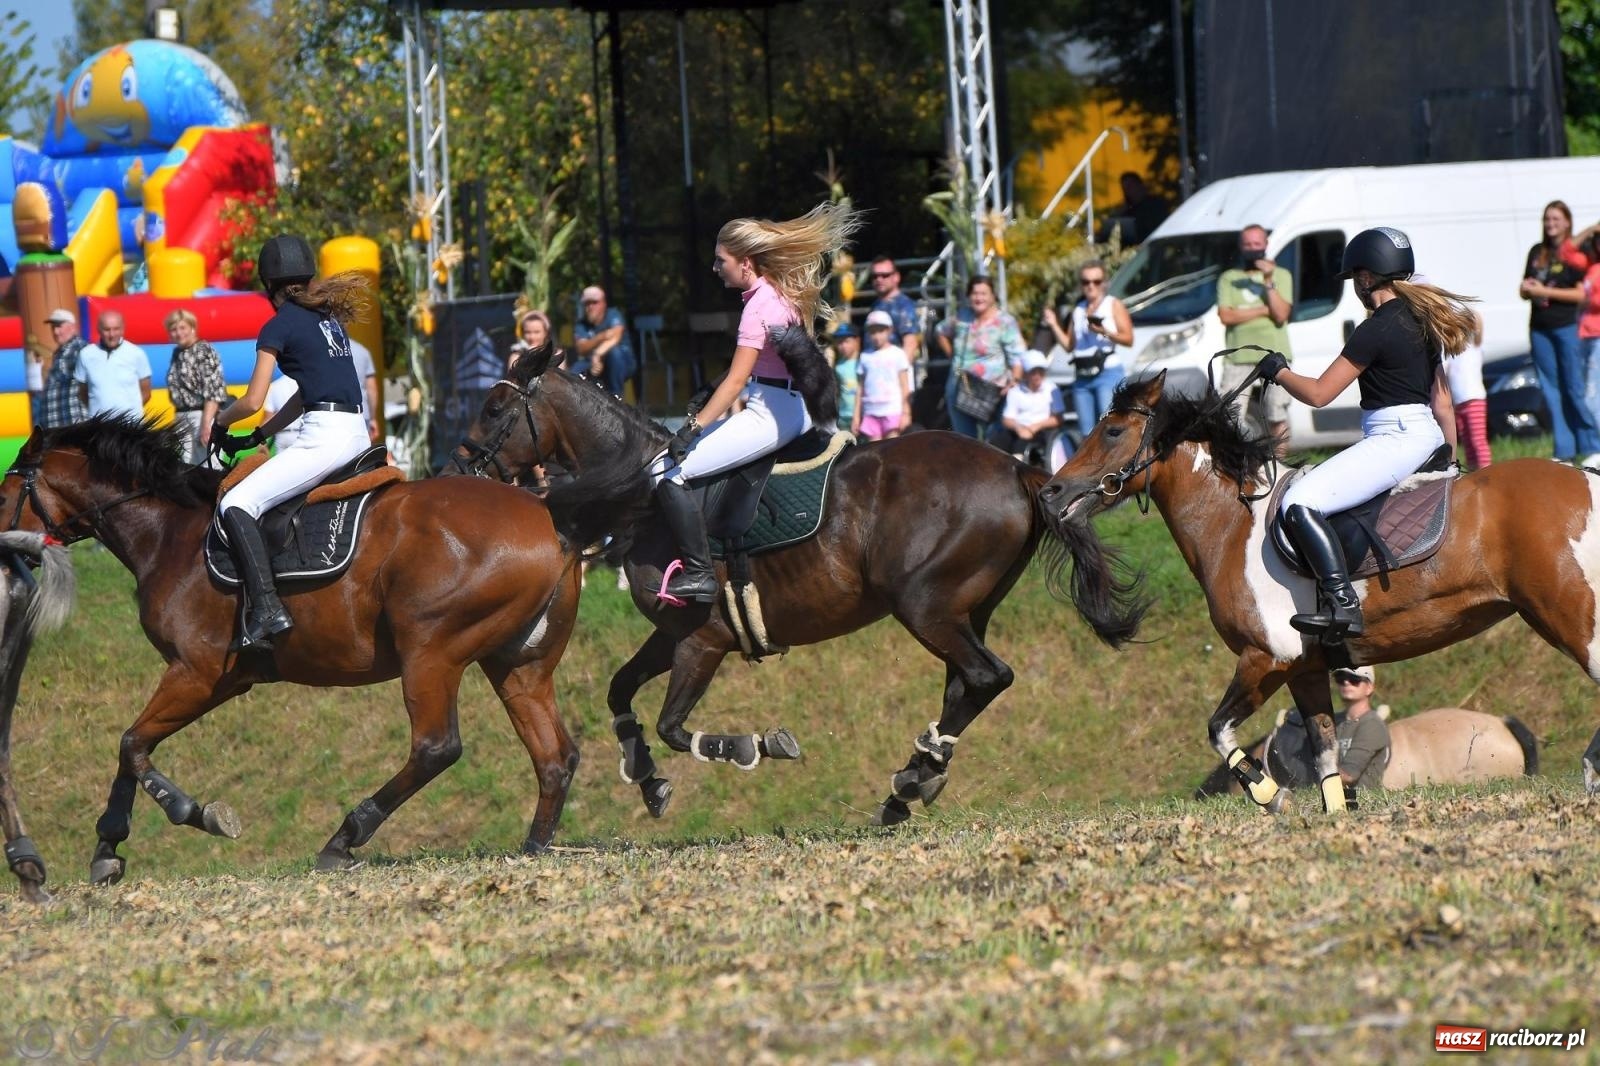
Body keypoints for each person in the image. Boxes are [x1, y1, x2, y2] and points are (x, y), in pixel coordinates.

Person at [1257, 226, 1471, 639]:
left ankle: (1343, 604)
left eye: (1356, 277)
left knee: (1299, 502)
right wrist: (1450, 458)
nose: (1356, 286)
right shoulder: (1422, 320)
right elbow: (1443, 403)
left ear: (1367, 277)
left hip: (1394, 440)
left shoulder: (1374, 329)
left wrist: (1279, 372)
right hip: (1425, 435)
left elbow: (1319, 394)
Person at [648, 201, 861, 603]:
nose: (715, 268)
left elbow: (736, 382)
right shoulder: (778, 294)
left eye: (721, 260)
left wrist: (692, 428)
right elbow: (754, 367)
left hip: (770, 414)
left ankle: (700, 574)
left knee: (666, 472)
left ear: (745, 263)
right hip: (796, 408)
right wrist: (710, 390)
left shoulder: (757, 308)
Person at [207, 234, 372, 650]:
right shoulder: (327, 318)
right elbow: (304, 395)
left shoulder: (279, 325)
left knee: (236, 503)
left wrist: (220, 422)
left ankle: (266, 610)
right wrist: (260, 434)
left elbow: (252, 400)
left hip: (325, 438)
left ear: (269, 285)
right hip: (356, 431)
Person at [1521, 201, 1598, 466]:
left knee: (1574, 387)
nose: (1550, 224)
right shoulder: (1537, 252)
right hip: (1540, 328)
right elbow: (1524, 290)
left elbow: (1581, 294)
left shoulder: (1578, 253)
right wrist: (1528, 288)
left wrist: (1544, 291)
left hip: (1567, 327)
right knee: (1551, 391)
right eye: (1547, 219)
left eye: (1555, 218)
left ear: (1567, 222)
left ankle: (1592, 445)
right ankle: (1564, 450)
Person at [1217, 224, 1295, 453]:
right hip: (1238, 355)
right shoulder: (1229, 278)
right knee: (1228, 415)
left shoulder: (1281, 275)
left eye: (1257, 244)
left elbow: (1280, 314)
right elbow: (1226, 316)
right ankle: (1235, 462)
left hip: (1274, 353)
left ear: (1266, 245)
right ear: (1241, 247)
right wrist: (1263, 310)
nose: (1252, 249)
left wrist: (1268, 280)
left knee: (1276, 412)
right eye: (1248, 244)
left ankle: (1280, 462)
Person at [1043, 259, 1133, 440]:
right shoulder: (1078, 310)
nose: (1091, 286)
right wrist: (1053, 324)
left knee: (1111, 428)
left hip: (1107, 372)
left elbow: (1128, 339)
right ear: (1081, 285)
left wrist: (1104, 332)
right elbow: (1069, 346)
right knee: (1087, 434)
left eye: (1096, 281)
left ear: (1104, 283)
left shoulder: (1113, 304)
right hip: (1082, 375)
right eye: (1086, 282)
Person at [935, 275, 1027, 440]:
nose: (979, 298)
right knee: (964, 441)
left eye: (984, 293)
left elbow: (1018, 356)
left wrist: (1015, 380)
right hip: (960, 388)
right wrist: (952, 356)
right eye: (974, 293)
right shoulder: (962, 317)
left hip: (992, 392)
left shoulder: (1005, 322)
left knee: (992, 442)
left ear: (993, 296)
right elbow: (940, 331)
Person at [164, 308, 230, 464]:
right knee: (186, 465)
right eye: (174, 329)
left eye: (182, 328)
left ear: (192, 327)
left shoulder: (204, 350)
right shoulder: (177, 353)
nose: (179, 333)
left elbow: (213, 390)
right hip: (182, 415)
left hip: (202, 414)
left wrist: (206, 424)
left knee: (209, 462)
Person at [987, 350, 1066, 465]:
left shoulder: (1051, 389)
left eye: (1040, 371)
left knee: (1021, 444)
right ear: (1026, 374)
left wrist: (1035, 427)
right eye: (1033, 372)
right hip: (1018, 429)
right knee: (997, 442)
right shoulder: (1015, 391)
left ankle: (1017, 467)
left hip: (1042, 431)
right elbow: (1007, 419)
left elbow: (1058, 419)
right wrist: (1019, 428)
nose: (1037, 375)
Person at [75, 310, 152, 419]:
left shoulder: (136, 353)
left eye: (116, 329)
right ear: (99, 329)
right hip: (99, 424)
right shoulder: (86, 354)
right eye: (107, 329)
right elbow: (82, 392)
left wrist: (129, 412)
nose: (112, 334)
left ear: (122, 329)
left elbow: (146, 392)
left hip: (130, 424)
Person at [852, 310, 913, 441]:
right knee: (874, 450)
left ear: (890, 330)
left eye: (880, 331)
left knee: (892, 449)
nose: (876, 336)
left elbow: (905, 386)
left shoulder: (898, 354)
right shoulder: (865, 356)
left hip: (892, 411)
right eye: (872, 332)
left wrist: (906, 413)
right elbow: (860, 388)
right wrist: (856, 416)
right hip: (871, 411)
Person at [571, 286, 636, 400]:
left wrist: (598, 354)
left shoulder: (613, 314)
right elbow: (581, 348)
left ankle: (616, 398)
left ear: (604, 303)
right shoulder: (581, 324)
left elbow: (616, 336)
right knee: (573, 372)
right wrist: (602, 336)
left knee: (614, 353)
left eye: (594, 302)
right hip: (592, 363)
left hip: (622, 363)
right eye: (587, 303)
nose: (590, 307)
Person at [1446, 309, 1492, 470]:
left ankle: (1486, 471)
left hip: (1474, 400)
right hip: (1458, 403)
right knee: (1467, 442)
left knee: (1477, 440)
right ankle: (1474, 471)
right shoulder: (1451, 352)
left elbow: (1476, 327)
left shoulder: (1474, 347)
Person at [867, 256, 922, 366]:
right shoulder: (875, 305)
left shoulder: (904, 305)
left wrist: (901, 374)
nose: (879, 279)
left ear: (896, 277)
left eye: (885, 275)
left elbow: (910, 344)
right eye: (875, 276)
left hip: (893, 373)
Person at [39, 308, 87, 430]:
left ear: (72, 327)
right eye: (53, 327)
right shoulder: (61, 352)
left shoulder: (80, 349)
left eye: (59, 326)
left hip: (73, 422)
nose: (56, 332)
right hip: (59, 422)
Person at [1097, 172, 1169, 245]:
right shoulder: (1127, 211)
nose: (1128, 191)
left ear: (1139, 185)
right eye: (1125, 189)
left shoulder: (1156, 204)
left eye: (1131, 186)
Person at [832, 322, 861, 432]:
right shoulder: (838, 366)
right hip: (843, 417)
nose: (843, 346)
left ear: (857, 341)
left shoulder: (862, 362)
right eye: (839, 342)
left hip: (862, 415)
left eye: (847, 341)